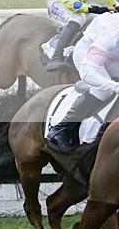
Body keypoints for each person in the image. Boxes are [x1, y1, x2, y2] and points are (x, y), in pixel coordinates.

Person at [46, 12, 119, 152]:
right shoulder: (113, 32)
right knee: (104, 90)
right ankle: (61, 128)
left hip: (113, 57)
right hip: (87, 55)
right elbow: (88, 70)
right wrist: (115, 86)